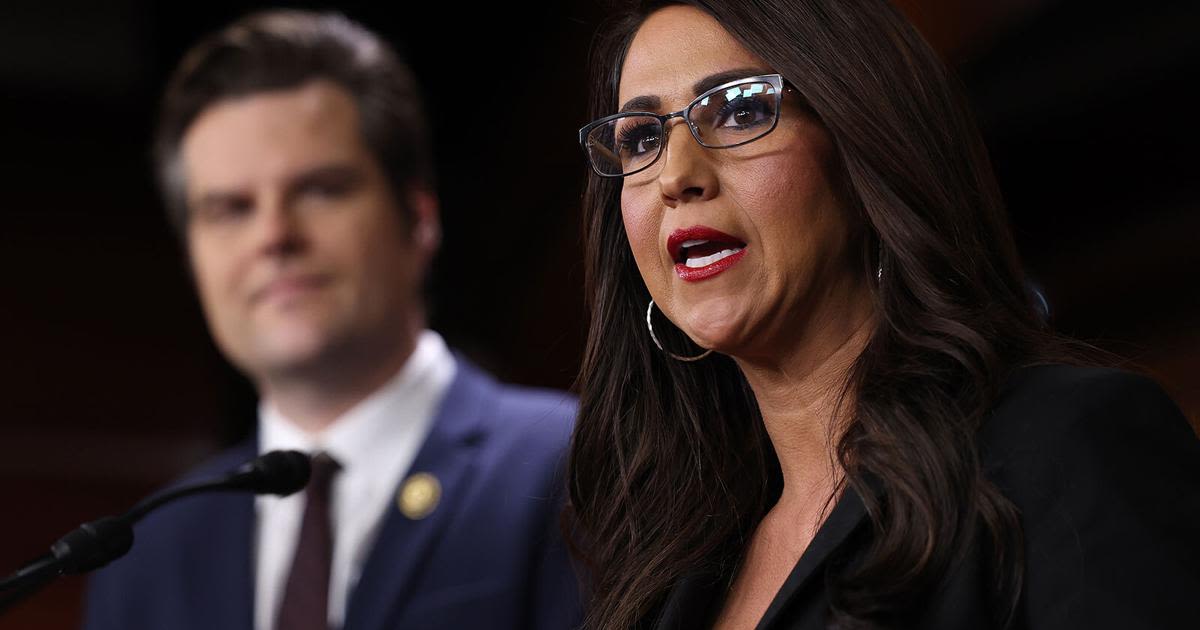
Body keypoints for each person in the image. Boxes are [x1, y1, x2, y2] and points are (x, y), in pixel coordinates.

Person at [566, 1, 1200, 629]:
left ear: (862, 142)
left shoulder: (1065, 445)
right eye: (642, 138)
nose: (676, 174)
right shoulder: (663, 572)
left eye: (739, 111)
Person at [83, 10, 580, 630]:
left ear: (419, 219)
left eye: (320, 189)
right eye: (230, 209)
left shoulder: (572, 467)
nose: (274, 236)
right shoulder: (143, 554)